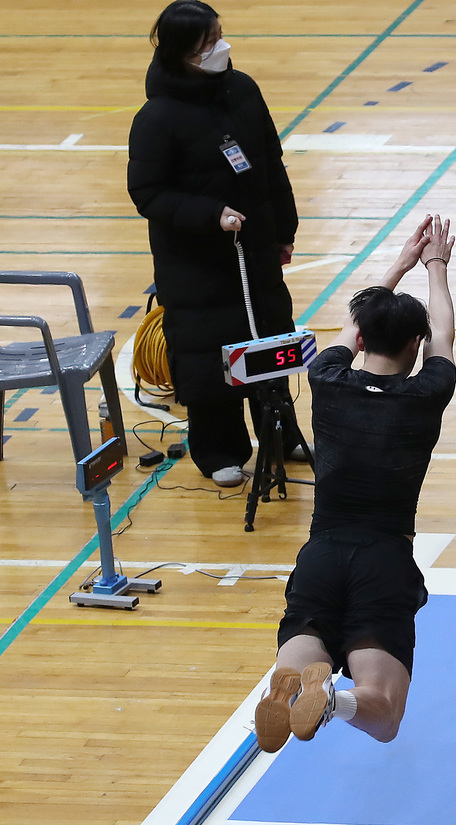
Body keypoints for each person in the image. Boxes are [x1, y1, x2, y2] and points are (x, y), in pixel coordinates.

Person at [253, 215, 456, 752]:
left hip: (321, 555)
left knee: (302, 654)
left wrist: (400, 265)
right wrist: (435, 268)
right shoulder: (426, 393)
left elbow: (354, 322)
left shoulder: (327, 379)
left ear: (361, 338)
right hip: (383, 562)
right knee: (382, 714)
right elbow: (444, 334)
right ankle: (334, 700)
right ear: (417, 344)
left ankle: (297, 685)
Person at [128, 1, 307, 487]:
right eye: (209, 44)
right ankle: (220, 450)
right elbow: (147, 193)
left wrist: (283, 232)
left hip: (256, 252)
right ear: (185, 53)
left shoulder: (243, 89)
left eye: (220, 36)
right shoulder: (157, 118)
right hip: (198, 264)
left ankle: (281, 432)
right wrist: (211, 215)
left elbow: (271, 161)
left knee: (270, 342)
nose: (220, 48)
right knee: (213, 357)